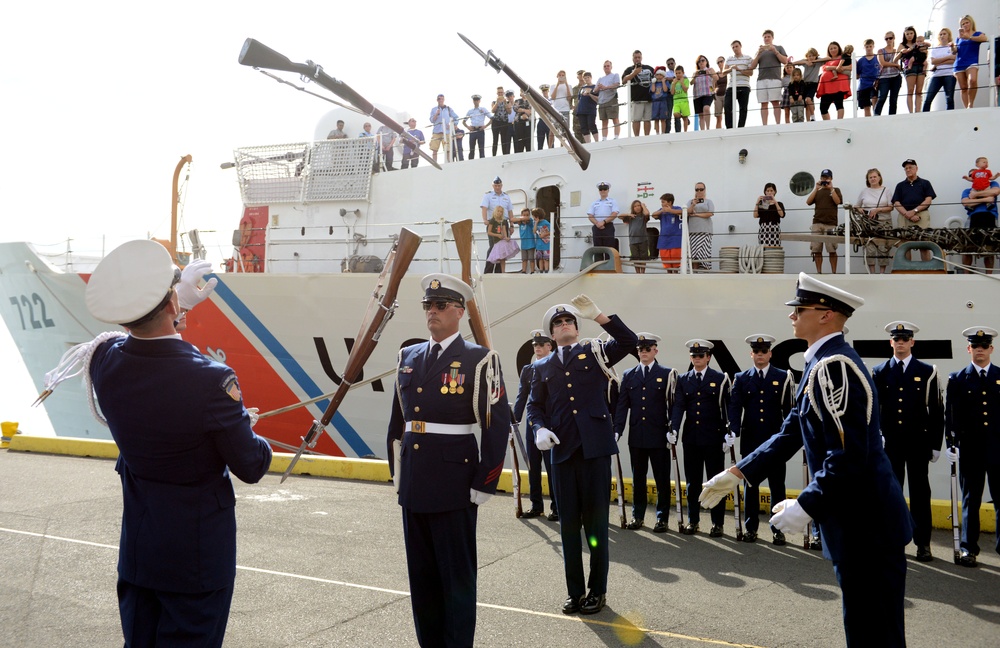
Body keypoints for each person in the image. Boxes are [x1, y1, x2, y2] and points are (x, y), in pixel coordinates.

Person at [700, 273, 912, 647]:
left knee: (875, 632)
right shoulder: (822, 363)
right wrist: (738, 473)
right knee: (866, 628)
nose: (792, 316)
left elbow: (848, 456)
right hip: (858, 522)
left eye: (800, 309)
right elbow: (791, 431)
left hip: (867, 525)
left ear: (826, 315)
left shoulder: (834, 367)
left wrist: (807, 504)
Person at [85, 240, 272, 647]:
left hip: (139, 554)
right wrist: (243, 425)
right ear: (172, 304)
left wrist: (173, 301)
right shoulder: (211, 380)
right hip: (196, 562)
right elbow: (252, 465)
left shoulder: (104, 363)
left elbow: (126, 339)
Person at [387, 273, 510, 646]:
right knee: (422, 580)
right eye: (428, 306)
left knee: (455, 579)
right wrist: (398, 474)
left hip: (455, 483)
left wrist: (485, 480)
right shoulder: (407, 357)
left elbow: (496, 424)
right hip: (415, 482)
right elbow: (398, 422)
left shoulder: (480, 359)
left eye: (440, 306)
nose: (432, 312)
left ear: (459, 311)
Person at [526, 296, 638, 615]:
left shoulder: (595, 351)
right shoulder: (542, 366)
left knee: (596, 525)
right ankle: (574, 592)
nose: (565, 326)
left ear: (576, 328)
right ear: (551, 334)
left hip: (594, 450)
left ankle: (596, 591)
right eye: (558, 323)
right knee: (568, 527)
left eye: (569, 322)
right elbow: (535, 406)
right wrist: (538, 429)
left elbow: (629, 341)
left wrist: (600, 316)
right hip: (562, 452)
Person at [871, 321, 944, 563]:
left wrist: (935, 444)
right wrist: (876, 434)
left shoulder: (927, 372)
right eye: (896, 339)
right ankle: (893, 541)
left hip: (917, 443)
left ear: (912, 342)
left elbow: (936, 410)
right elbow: (873, 410)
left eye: (905, 339)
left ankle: (923, 544)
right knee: (891, 493)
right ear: (891, 342)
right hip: (889, 443)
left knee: (921, 493)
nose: (900, 343)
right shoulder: (879, 372)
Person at [728, 334, 793, 544]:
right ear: (751, 354)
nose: (760, 355)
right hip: (751, 439)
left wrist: (788, 437)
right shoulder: (742, 378)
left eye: (764, 351)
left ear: (770, 353)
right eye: (756, 351)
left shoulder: (783, 376)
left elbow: (788, 410)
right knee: (751, 485)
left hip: (775, 440)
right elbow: (735, 407)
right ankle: (751, 528)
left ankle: (778, 529)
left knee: (777, 485)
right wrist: (733, 431)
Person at [945, 326, 1000, 567]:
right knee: (971, 500)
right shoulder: (957, 379)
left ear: (991, 349)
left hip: (999, 449)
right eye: (975, 346)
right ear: (969, 349)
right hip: (970, 450)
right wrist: (951, 444)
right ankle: (968, 549)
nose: (980, 350)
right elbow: (951, 416)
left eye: (984, 346)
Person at [615, 333, 676, 532]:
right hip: (637, 436)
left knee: (662, 480)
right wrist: (618, 430)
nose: (643, 352)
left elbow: (673, 405)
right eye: (640, 349)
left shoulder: (667, 373)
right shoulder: (629, 374)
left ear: (655, 351)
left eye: (647, 349)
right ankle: (637, 516)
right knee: (638, 479)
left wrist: (672, 429)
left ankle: (662, 518)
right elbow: (622, 405)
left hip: (659, 436)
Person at [670, 339, 731, 536]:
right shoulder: (683, 379)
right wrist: (674, 428)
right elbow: (679, 406)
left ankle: (717, 523)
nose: (697, 359)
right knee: (692, 482)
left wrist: (728, 433)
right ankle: (693, 521)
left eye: (700, 356)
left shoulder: (720, 378)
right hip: (691, 439)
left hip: (713, 439)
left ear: (708, 358)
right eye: (694, 356)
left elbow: (726, 409)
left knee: (715, 482)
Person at [513, 329, 557, 520]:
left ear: (549, 346)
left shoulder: (555, 366)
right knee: (533, 467)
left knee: (552, 467)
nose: (537, 348)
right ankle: (536, 505)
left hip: (551, 425)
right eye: (535, 345)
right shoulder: (527, 370)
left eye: (541, 345)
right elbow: (522, 396)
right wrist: (513, 420)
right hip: (533, 425)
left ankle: (557, 507)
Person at [855, 168, 894, 274]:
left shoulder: (886, 190)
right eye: (870, 177)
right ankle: (872, 273)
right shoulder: (864, 191)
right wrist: (861, 210)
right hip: (869, 224)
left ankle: (882, 273)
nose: (873, 179)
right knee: (869, 247)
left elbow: (891, 207)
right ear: (867, 179)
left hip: (884, 223)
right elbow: (857, 206)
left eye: (874, 177)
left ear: (879, 177)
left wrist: (878, 209)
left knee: (883, 247)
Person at [806, 168, 843, 274]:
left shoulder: (836, 190)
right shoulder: (818, 191)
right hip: (817, 222)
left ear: (831, 178)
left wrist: (831, 189)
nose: (825, 179)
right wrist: (816, 189)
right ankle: (818, 272)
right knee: (816, 249)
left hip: (831, 223)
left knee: (832, 249)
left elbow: (838, 201)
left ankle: (834, 273)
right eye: (823, 177)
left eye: (827, 178)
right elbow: (808, 202)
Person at [750, 30, 790, 125]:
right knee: (763, 103)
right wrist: (759, 53)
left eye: (768, 36)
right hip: (761, 80)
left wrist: (775, 51)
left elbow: (785, 61)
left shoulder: (779, 48)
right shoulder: (759, 51)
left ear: (772, 38)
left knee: (775, 102)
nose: (766, 38)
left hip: (775, 79)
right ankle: (764, 125)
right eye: (765, 37)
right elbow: (752, 66)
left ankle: (778, 124)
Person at [960, 176, 1000, 272]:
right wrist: (985, 199)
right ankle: (966, 275)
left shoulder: (992, 184)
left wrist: (975, 195)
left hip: (990, 217)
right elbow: (965, 203)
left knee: (989, 247)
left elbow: (995, 192)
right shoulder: (967, 190)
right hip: (973, 219)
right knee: (968, 247)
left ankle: (989, 275)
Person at [954, 15, 988, 109]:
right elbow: (955, 51)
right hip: (959, 63)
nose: (965, 25)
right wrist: (952, 47)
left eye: (967, 22)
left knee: (972, 80)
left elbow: (984, 38)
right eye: (963, 24)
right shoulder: (959, 37)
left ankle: (970, 104)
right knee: (963, 87)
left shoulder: (977, 33)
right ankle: (967, 109)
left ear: (971, 22)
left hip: (972, 61)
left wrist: (969, 37)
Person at [891, 158, 935, 230]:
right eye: (906, 168)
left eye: (910, 167)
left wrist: (914, 211)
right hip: (904, 216)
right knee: (903, 240)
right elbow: (896, 203)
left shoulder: (925, 183)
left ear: (916, 168)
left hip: (921, 216)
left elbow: (928, 201)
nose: (908, 170)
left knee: (922, 239)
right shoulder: (900, 185)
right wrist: (907, 214)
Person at [922, 28, 957, 111]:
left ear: (949, 35)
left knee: (949, 99)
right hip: (936, 75)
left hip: (949, 74)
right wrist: (948, 57)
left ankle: (949, 118)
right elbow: (933, 61)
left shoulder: (953, 47)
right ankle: (924, 117)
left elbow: (954, 60)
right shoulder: (935, 49)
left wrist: (939, 62)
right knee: (928, 98)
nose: (942, 36)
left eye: (944, 34)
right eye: (940, 34)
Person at [623, 50, 655, 137]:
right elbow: (624, 80)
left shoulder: (649, 68)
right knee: (636, 120)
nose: (637, 59)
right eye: (635, 57)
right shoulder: (629, 69)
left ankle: (647, 137)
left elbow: (657, 78)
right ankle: (636, 137)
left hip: (648, 99)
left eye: (639, 57)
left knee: (647, 120)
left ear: (641, 58)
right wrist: (634, 73)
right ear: (632, 58)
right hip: (636, 99)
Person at [816, 42, 852, 120]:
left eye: (835, 48)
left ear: (838, 48)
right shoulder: (827, 59)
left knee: (839, 104)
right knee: (823, 107)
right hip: (826, 86)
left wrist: (835, 68)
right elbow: (825, 68)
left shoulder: (844, 57)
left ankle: (839, 121)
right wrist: (835, 67)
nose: (833, 50)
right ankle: (828, 124)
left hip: (838, 85)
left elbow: (851, 66)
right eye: (831, 48)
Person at [896, 26, 928, 113]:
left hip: (920, 66)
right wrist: (902, 52)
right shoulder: (902, 45)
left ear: (914, 34)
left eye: (911, 33)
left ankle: (918, 111)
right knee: (910, 90)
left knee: (919, 90)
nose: (909, 35)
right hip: (909, 68)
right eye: (907, 34)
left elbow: (925, 52)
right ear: (904, 35)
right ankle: (911, 112)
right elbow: (896, 58)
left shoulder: (918, 42)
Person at [723, 40, 753, 128]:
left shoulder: (748, 58)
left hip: (744, 86)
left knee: (743, 108)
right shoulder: (729, 59)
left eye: (736, 46)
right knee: (727, 106)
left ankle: (741, 127)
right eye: (733, 47)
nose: (735, 48)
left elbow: (750, 72)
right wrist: (731, 69)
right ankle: (729, 127)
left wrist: (739, 69)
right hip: (731, 86)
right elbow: (723, 72)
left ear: (740, 46)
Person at [687, 182, 715, 270]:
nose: (699, 191)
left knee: (704, 254)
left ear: (704, 190)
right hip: (693, 232)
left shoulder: (709, 202)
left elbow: (710, 213)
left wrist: (696, 215)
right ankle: (694, 274)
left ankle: (706, 273)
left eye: (701, 189)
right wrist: (693, 204)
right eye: (697, 189)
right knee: (694, 254)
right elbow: (688, 212)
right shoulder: (690, 201)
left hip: (705, 231)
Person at [792, 47, 823, 122]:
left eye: (812, 56)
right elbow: (794, 63)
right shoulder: (806, 63)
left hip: (813, 84)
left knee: (808, 99)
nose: (811, 57)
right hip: (804, 84)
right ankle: (808, 120)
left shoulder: (818, 63)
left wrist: (816, 60)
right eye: (809, 56)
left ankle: (813, 117)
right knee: (806, 103)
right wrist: (805, 62)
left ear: (816, 56)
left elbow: (828, 58)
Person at [653, 193, 682, 270]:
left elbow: (682, 212)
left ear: (670, 202)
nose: (662, 204)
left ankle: (675, 279)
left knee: (676, 264)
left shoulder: (677, 208)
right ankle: (669, 277)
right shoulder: (661, 211)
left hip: (675, 241)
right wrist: (662, 211)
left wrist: (670, 210)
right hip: (664, 241)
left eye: (663, 202)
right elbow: (653, 215)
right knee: (667, 265)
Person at [875, 31, 902, 116]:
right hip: (884, 77)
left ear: (894, 38)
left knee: (893, 99)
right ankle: (876, 115)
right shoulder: (881, 50)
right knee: (882, 97)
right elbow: (882, 63)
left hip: (896, 76)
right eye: (886, 39)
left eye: (890, 38)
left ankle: (892, 117)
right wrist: (896, 65)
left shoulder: (897, 51)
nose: (888, 40)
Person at [588, 182, 619, 249]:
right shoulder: (595, 203)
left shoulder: (612, 201)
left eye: (605, 189)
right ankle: (598, 260)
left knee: (609, 249)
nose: (603, 191)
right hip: (597, 227)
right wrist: (597, 223)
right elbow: (590, 215)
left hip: (608, 226)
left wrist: (603, 222)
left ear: (608, 190)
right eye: (601, 189)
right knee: (597, 249)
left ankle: (609, 260)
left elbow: (614, 213)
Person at [622, 199, 650, 273]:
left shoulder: (643, 216)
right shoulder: (631, 217)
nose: (637, 207)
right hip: (633, 241)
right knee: (635, 258)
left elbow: (647, 213)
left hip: (643, 240)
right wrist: (628, 214)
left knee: (643, 258)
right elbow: (619, 216)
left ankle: (643, 272)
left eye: (638, 206)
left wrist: (643, 206)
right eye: (635, 206)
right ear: (632, 208)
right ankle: (637, 273)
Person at [691, 55, 719, 131]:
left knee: (706, 108)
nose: (701, 62)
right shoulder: (696, 72)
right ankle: (702, 130)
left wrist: (709, 74)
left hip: (708, 93)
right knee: (701, 114)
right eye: (699, 61)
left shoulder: (710, 69)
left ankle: (708, 128)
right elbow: (691, 83)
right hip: (698, 95)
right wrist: (695, 76)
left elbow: (716, 78)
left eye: (703, 60)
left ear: (706, 61)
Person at [429, 94, 459, 163]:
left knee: (447, 149)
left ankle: (448, 162)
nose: (441, 100)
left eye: (442, 99)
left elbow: (456, 118)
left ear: (444, 100)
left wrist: (453, 125)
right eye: (439, 99)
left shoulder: (448, 109)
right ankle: (434, 163)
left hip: (446, 132)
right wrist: (436, 114)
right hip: (436, 131)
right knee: (434, 149)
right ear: (437, 100)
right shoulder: (434, 109)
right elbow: (432, 120)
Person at [596, 60, 621, 140]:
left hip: (611, 99)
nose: (606, 67)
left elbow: (617, 84)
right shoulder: (600, 78)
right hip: (602, 101)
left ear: (611, 67)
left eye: (608, 66)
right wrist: (599, 87)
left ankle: (616, 137)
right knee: (604, 121)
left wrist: (606, 87)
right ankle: (604, 138)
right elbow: (595, 90)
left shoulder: (615, 75)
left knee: (615, 118)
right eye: (605, 66)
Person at [463, 94, 492, 160]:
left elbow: (491, 118)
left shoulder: (483, 109)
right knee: (471, 149)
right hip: (472, 130)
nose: (476, 101)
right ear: (473, 101)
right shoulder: (470, 111)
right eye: (474, 100)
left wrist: (485, 126)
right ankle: (470, 163)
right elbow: (464, 121)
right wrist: (468, 127)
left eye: (477, 100)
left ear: (479, 101)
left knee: (481, 148)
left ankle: (482, 163)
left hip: (480, 130)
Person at [856, 39, 880, 117]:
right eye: (867, 46)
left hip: (875, 83)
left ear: (873, 46)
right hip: (863, 85)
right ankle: (868, 120)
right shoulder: (861, 60)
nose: (869, 48)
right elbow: (857, 75)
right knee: (866, 106)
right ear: (864, 47)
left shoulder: (878, 58)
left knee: (875, 99)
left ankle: (875, 117)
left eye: (870, 46)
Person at [486, 206, 511, 273]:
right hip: (496, 241)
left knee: (502, 257)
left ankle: (503, 272)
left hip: (502, 240)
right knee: (495, 256)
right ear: (495, 211)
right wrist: (497, 235)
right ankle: (489, 271)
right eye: (498, 211)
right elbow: (489, 232)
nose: (500, 213)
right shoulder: (492, 220)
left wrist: (506, 237)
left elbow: (504, 230)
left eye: (501, 212)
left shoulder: (503, 221)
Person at [575, 72, 600, 143]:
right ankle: (588, 142)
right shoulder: (582, 88)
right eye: (585, 78)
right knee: (583, 127)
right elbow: (579, 99)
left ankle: (597, 141)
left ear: (591, 78)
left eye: (588, 78)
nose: (586, 79)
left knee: (591, 124)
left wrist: (590, 94)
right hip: (581, 110)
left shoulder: (595, 87)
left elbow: (598, 99)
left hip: (590, 110)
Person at [512, 207, 536, 274]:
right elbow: (512, 219)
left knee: (531, 259)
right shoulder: (521, 223)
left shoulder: (530, 221)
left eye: (527, 214)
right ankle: (524, 271)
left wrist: (521, 218)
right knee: (524, 259)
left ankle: (532, 271)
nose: (525, 216)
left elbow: (528, 219)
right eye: (524, 215)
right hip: (524, 244)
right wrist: (519, 220)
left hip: (530, 243)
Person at [491, 87, 513, 156]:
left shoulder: (507, 102)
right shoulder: (494, 102)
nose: (500, 94)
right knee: (495, 140)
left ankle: (505, 155)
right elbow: (492, 111)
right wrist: (497, 102)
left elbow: (509, 112)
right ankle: (494, 155)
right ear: (497, 93)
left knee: (504, 140)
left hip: (504, 122)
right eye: (499, 92)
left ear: (503, 93)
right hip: (496, 122)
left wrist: (505, 103)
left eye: (501, 92)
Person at [651, 67, 671, 134]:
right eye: (657, 75)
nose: (659, 76)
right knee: (656, 119)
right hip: (655, 102)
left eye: (660, 75)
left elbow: (665, 90)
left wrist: (663, 82)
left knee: (663, 118)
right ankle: (657, 132)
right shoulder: (654, 83)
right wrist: (653, 83)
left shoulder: (666, 82)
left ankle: (663, 132)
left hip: (663, 101)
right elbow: (653, 90)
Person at [671, 66, 691, 132]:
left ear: (683, 73)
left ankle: (685, 131)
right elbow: (672, 92)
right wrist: (674, 84)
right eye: (676, 73)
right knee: (676, 114)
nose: (678, 75)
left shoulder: (686, 80)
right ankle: (683, 117)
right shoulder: (674, 82)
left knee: (685, 118)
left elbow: (685, 90)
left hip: (684, 101)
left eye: (679, 73)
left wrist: (682, 82)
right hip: (676, 101)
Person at [533, 208, 552, 273]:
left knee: (546, 259)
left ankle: (546, 270)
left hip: (546, 244)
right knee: (540, 259)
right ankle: (541, 270)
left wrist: (544, 235)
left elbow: (552, 231)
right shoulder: (536, 223)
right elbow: (534, 231)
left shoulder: (546, 222)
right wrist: (536, 223)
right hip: (539, 245)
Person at [536, 84, 553, 150]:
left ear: (548, 91)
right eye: (543, 91)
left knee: (551, 142)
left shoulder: (551, 100)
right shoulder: (539, 101)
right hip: (542, 120)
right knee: (540, 141)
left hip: (549, 120)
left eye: (546, 91)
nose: (545, 92)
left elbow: (550, 110)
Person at [714, 56, 728, 129]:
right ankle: (718, 132)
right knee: (718, 117)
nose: (720, 63)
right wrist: (713, 94)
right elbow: (712, 85)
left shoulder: (728, 72)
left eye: (721, 61)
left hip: (727, 95)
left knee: (728, 114)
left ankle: (728, 131)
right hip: (718, 96)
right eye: (718, 62)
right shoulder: (716, 74)